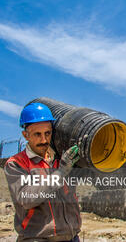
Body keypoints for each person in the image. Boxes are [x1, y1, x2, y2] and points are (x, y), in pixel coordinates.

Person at [4, 103, 81, 242]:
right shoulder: (16, 164)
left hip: (72, 238)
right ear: (25, 135)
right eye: (37, 134)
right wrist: (60, 173)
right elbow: (26, 199)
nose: (44, 140)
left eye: (47, 133)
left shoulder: (61, 159)